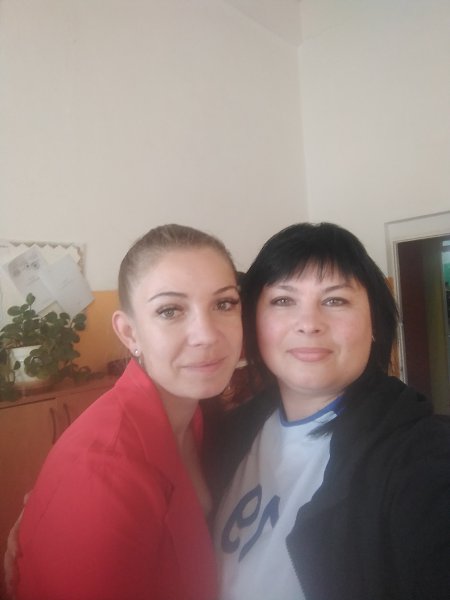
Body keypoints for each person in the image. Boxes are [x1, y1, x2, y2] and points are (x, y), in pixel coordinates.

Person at [208, 222, 450, 600]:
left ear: (374, 323)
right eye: (283, 301)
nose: (309, 324)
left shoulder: (423, 457)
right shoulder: (230, 433)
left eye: (335, 300)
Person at [12, 224, 243, 600]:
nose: (207, 334)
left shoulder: (196, 416)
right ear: (130, 333)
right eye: (170, 310)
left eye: (224, 304)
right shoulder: (103, 473)